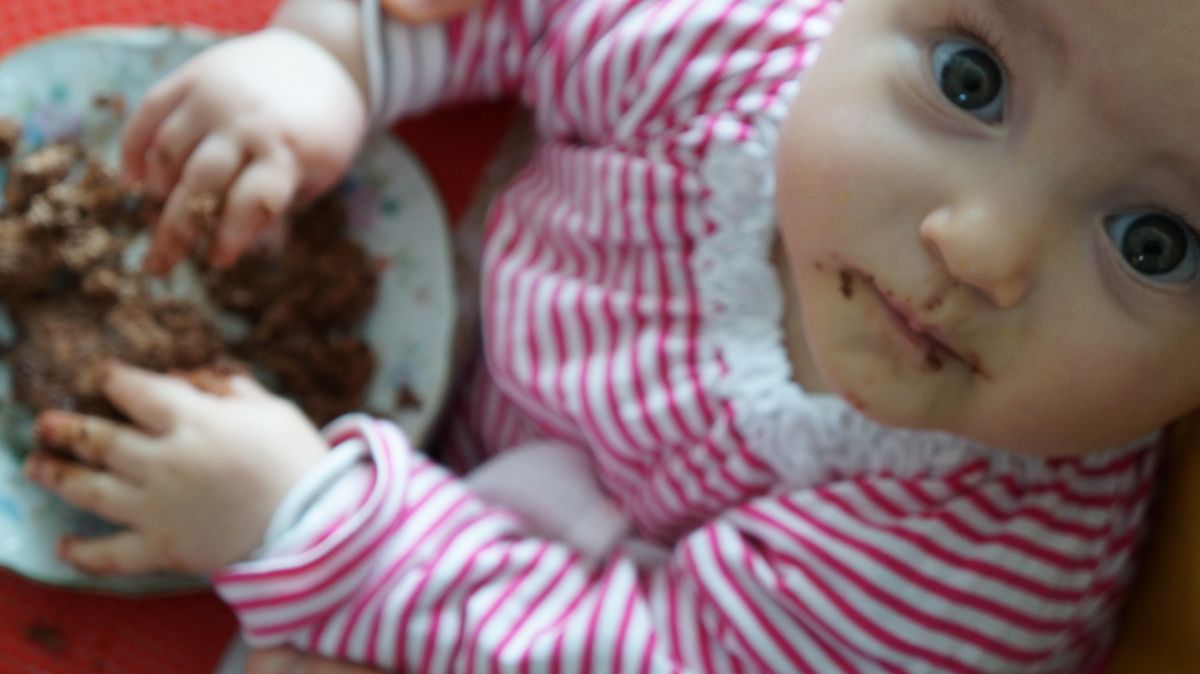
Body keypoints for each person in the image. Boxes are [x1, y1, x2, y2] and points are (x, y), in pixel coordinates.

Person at [20, 0, 1196, 670]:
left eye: (1158, 242)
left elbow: (639, 652)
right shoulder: (738, 43)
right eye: (972, 77)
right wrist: (334, 62)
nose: (980, 245)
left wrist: (310, 525)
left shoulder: (973, 574)